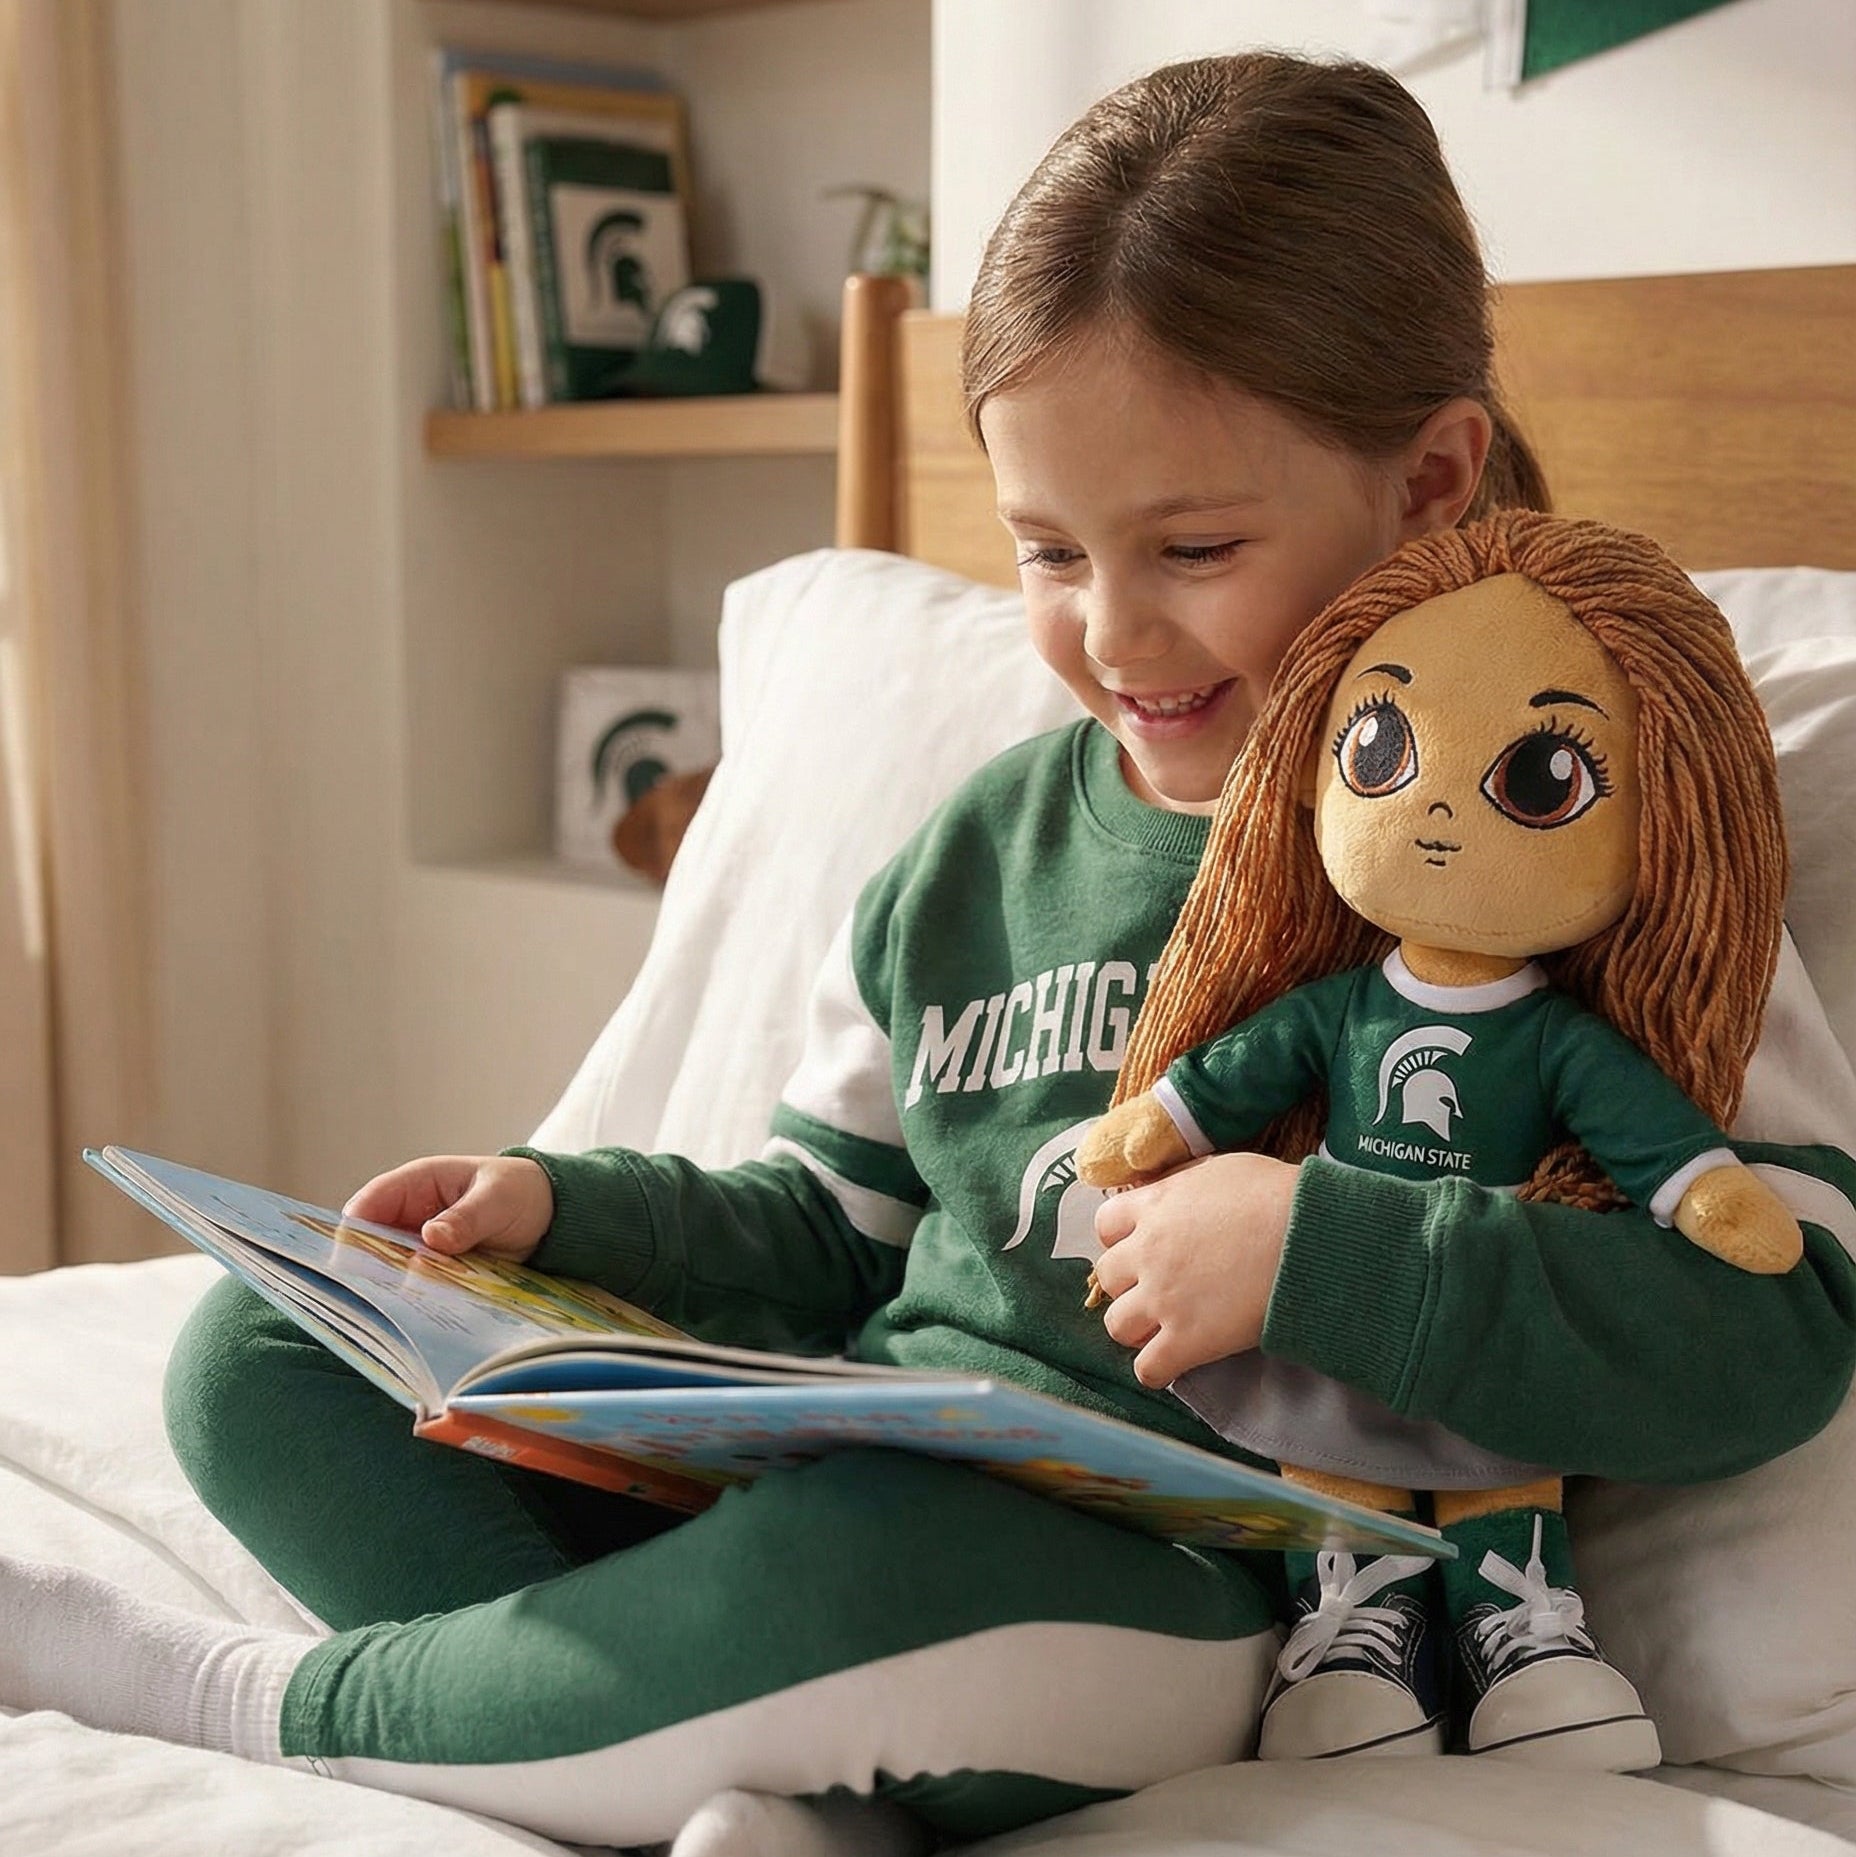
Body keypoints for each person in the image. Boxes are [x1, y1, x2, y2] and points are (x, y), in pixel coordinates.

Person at [3, 52, 1852, 1854]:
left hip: (1213, 1583)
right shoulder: (975, 854)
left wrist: (1329, 1258)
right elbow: (826, 1233)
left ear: (1433, 479)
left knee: (856, 1574)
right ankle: (734, 1742)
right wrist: (565, 1218)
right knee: (264, 1352)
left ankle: (250, 1695)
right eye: (1044, 550)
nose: (1112, 632)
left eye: (1191, 544)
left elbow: (1777, 1328)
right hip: (861, 1472)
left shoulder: (1572, 838)